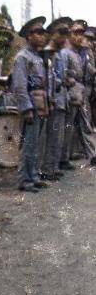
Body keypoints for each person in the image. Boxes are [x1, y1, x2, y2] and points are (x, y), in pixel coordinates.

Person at [11, 16, 49, 192]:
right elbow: (20, 85)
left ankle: (33, 176)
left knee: (36, 143)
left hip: (40, 103)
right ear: (28, 35)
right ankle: (24, 180)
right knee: (28, 144)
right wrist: (26, 108)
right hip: (31, 105)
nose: (42, 35)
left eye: (43, 32)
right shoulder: (22, 57)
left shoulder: (36, 56)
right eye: (38, 32)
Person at [60, 20, 96, 168]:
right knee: (68, 126)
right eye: (76, 33)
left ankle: (92, 155)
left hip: (82, 91)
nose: (79, 36)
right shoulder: (65, 53)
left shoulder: (81, 52)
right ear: (70, 34)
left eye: (81, 33)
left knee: (86, 123)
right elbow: (61, 75)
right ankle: (63, 158)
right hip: (71, 93)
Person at [41, 17, 72, 180]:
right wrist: (63, 81)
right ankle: (47, 169)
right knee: (52, 137)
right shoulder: (48, 53)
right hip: (53, 99)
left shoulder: (60, 54)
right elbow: (49, 78)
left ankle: (53, 166)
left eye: (66, 34)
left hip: (61, 99)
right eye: (61, 33)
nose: (64, 37)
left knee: (58, 137)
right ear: (53, 34)